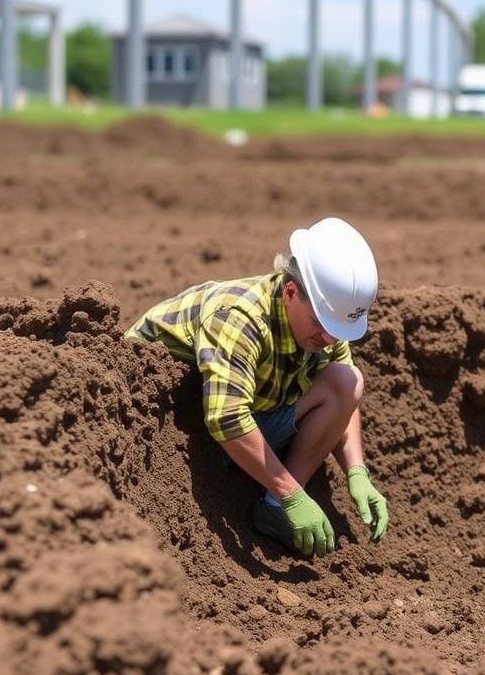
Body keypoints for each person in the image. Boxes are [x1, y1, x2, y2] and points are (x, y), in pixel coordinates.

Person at [125, 217, 389, 557]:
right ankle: (281, 495)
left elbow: (344, 391)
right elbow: (226, 417)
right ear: (291, 291)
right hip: (181, 429)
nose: (329, 338)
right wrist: (291, 493)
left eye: (338, 330)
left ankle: (272, 511)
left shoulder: (324, 332)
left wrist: (356, 470)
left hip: (246, 415)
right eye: (322, 324)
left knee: (346, 379)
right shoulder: (240, 316)